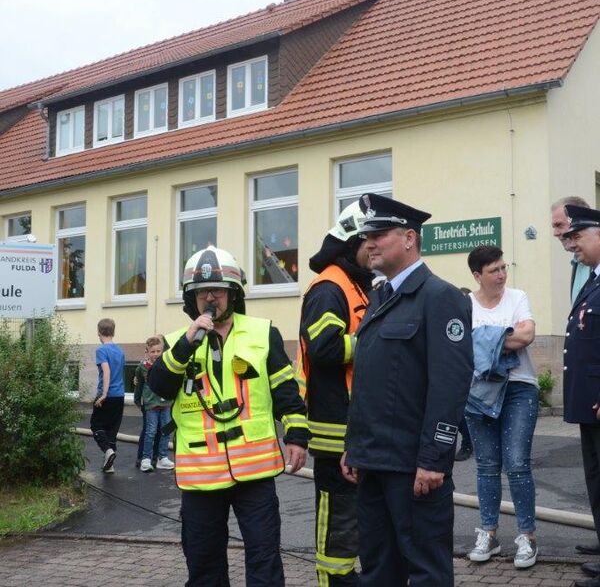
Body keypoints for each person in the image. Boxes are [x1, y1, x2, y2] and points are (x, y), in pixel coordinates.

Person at [148, 246, 310, 587]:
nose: (211, 297)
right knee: (204, 565)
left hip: (255, 471)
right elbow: (160, 387)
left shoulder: (262, 332)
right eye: (202, 292)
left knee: (265, 560)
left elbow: (285, 391)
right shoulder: (178, 341)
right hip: (201, 476)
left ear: (232, 293)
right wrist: (186, 345)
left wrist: (296, 435)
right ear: (191, 299)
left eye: (218, 290)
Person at [342, 193, 473, 587]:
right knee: (379, 568)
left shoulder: (440, 297)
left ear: (409, 238)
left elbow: (450, 386)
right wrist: (355, 445)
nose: (369, 242)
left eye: (379, 233)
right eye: (367, 235)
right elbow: (369, 382)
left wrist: (434, 459)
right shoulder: (380, 297)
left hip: (413, 467)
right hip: (373, 461)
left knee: (427, 571)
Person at [298, 201, 372, 586]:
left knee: (353, 516)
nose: (374, 248)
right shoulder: (330, 287)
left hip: (353, 425)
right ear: (351, 244)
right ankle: (334, 580)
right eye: (369, 241)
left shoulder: (355, 283)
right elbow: (323, 347)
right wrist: (373, 342)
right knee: (337, 518)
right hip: (333, 431)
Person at [463, 246, 539, 569]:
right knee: (486, 465)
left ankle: (528, 537)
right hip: (478, 394)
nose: (502, 274)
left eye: (503, 267)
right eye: (494, 270)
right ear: (477, 276)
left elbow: (528, 334)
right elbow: (461, 342)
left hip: (520, 389)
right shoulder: (464, 304)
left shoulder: (517, 297)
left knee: (517, 462)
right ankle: (489, 533)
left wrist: (483, 339)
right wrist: (503, 338)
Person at [560, 205, 600, 587]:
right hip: (589, 402)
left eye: (578, 237)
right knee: (596, 477)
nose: (573, 245)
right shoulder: (592, 280)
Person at [90, 318, 125, 474]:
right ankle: (109, 466)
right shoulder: (120, 351)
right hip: (120, 395)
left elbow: (106, 371)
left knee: (96, 425)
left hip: (107, 394)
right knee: (112, 430)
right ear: (114, 331)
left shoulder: (101, 350)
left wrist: (103, 394)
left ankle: (108, 451)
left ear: (99, 332)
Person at [134, 335, 174, 472]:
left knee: (166, 431)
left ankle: (162, 458)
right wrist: (137, 400)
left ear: (162, 351)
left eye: (158, 351)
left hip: (166, 404)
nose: (156, 354)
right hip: (151, 404)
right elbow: (139, 385)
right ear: (147, 352)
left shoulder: (167, 364)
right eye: (153, 351)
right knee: (150, 432)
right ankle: (146, 459)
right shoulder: (142, 367)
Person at [551, 196, 591, 304]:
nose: (555, 233)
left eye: (559, 225)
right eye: (553, 227)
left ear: (580, 220)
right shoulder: (577, 261)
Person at [455, 287, 474, 462]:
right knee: (458, 411)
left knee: (465, 411)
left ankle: (468, 443)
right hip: (457, 370)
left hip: (472, 370)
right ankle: (468, 442)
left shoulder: (472, 318)